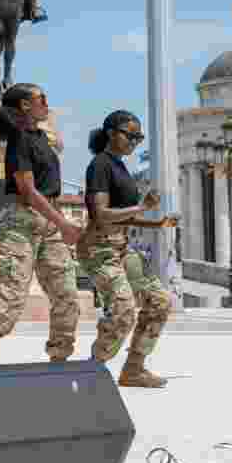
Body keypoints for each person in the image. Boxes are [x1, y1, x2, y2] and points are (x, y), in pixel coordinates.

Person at [0, 84, 82, 366]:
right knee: (13, 295)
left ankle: (60, 359)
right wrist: (64, 224)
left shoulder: (40, 137)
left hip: (49, 224)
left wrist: (57, 222)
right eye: (42, 99)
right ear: (24, 106)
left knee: (66, 294)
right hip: (23, 221)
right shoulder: (19, 139)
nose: (47, 104)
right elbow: (28, 191)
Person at [80, 110, 176, 387]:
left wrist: (156, 223)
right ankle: (92, 369)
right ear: (111, 133)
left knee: (160, 301)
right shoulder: (100, 165)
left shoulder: (120, 167)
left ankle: (133, 369)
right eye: (130, 135)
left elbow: (121, 216)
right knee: (123, 310)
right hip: (99, 249)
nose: (134, 141)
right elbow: (101, 214)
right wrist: (143, 207)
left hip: (122, 247)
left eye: (139, 137)